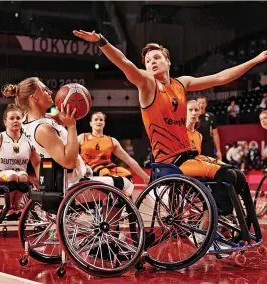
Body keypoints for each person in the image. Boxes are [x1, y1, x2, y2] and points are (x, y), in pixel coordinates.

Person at [73, 30, 265, 237]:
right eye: (148, 60)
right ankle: (204, 230)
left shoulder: (181, 83)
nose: (152, 62)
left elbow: (220, 78)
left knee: (237, 175)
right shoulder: (147, 85)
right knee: (227, 176)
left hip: (188, 156)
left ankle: (238, 228)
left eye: (157, 57)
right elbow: (124, 63)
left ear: (168, 62)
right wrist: (102, 42)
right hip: (169, 162)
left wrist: (256, 59)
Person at [1, 78, 134, 198]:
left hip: (67, 180)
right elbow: (69, 162)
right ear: (34, 98)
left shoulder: (30, 120)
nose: (50, 92)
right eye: (44, 90)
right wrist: (72, 127)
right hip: (72, 187)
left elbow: (57, 118)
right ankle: (110, 223)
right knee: (125, 184)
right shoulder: (43, 129)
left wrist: (71, 108)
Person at [0, 104, 40, 220]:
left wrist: (41, 180)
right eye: (12, 118)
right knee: (12, 176)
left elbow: (37, 163)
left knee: (22, 177)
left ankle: (16, 207)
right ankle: (8, 207)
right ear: (5, 122)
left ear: (22, 120)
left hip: (21, 176)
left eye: (18, 118)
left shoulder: (28, 141)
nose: (15, 121)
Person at [78, 111, 149, 184]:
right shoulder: (82, 137)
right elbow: (70, 151)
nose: (98, 122)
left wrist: (145, 177)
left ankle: (122, 195)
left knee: (127, 174)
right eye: (96, 120)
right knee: (104, 172)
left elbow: (129, 160)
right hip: (88, 170)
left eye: (101, 120)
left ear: (104, 123)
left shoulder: (112, 141)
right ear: (91, 123)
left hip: (107, 168)